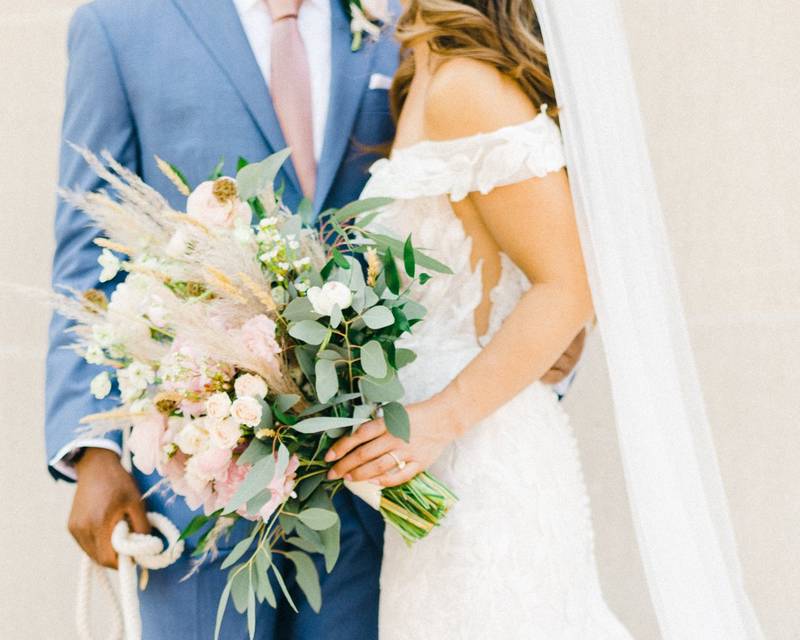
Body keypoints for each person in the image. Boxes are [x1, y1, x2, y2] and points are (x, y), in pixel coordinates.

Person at [45, 0, 583, 637]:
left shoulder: (406, 25)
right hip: (204, 482)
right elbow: (88, 250)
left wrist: (526, 359)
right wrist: (92, 451)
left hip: (377, 476)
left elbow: (534, 251)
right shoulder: (119, 26)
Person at [327, 1, 764, 638]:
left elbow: (571, 286)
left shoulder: (467, 86)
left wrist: (438, 419)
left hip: (478, 461)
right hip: (436, 464)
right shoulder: (425, 66)